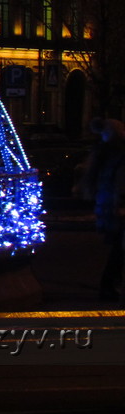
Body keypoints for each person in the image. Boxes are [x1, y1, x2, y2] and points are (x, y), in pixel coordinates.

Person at [79, 117, 125, 300]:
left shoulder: (105, 151)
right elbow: (120, 182)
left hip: (109, 207)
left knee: (118, 249)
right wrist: (120, 204)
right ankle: (110, 286)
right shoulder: (119, 152)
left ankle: (110, 286)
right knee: (119, 251)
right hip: (117, 207)